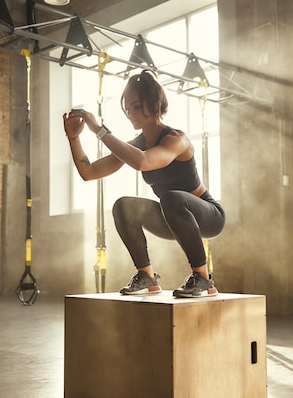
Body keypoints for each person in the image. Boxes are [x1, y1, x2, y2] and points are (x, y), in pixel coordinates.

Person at [63, 69, 226, 297]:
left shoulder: (175, 139)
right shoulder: (137, 143)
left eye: (137, 106)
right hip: (172, 218)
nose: (131, 113)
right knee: (124, 206)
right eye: (128, 108)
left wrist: (98, 130)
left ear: (155, 103)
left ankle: (203, 278)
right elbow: (89, 172)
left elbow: (142, 162)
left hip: (207, 215)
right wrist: (74, 137)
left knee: (171, 197)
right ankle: (147, 276)